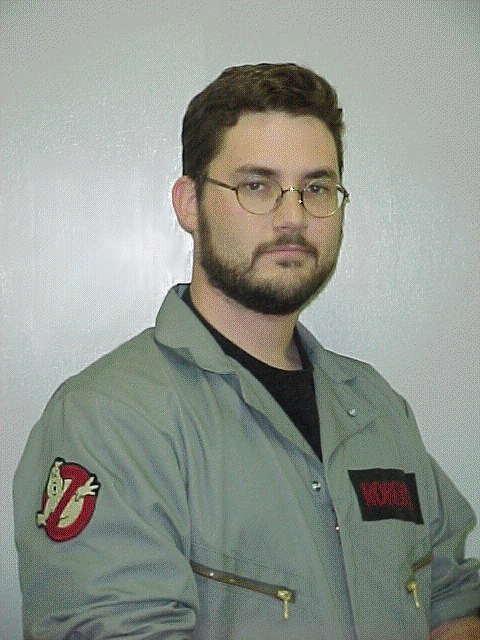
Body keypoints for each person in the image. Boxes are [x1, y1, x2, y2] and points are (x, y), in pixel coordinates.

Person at [14, 63, 479, 640]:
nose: (293, 217)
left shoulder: (379, 410)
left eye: (316, 188)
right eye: (256, 186)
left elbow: (451, 598)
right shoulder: (109, 421)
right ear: (189, 204)